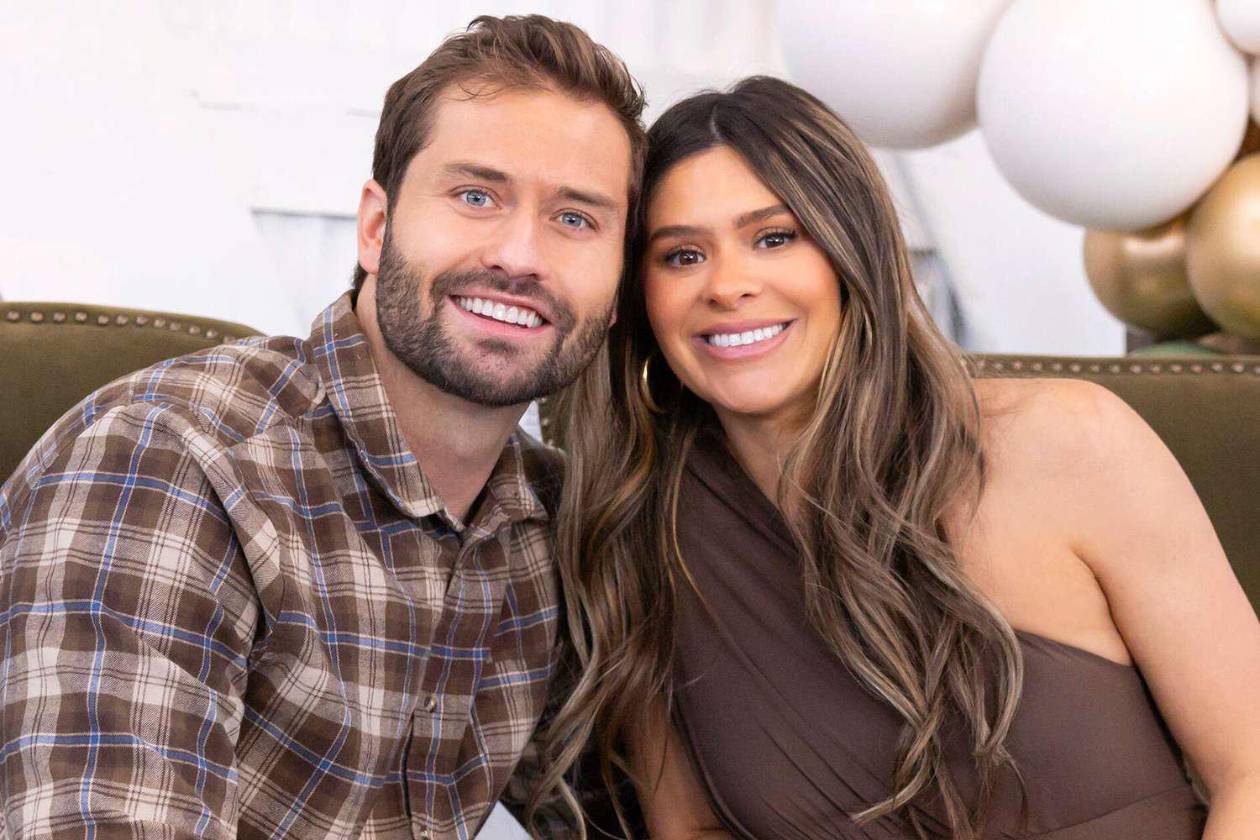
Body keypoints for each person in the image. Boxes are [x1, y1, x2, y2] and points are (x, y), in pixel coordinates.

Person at [541, 76, 1260, 839]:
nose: (728, 285)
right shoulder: (646, 529)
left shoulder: (1069, 441)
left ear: (853, 251)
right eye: (682, 255)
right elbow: (691, 830)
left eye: (775, 238)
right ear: (638, 296)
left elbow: (1252, 768)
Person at [0, 15, 644, 839]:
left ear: (617, 289)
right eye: (476, 196)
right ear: (376, 228)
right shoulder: (170, 462)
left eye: (576, 219)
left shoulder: (543, 526)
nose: (520, 255)